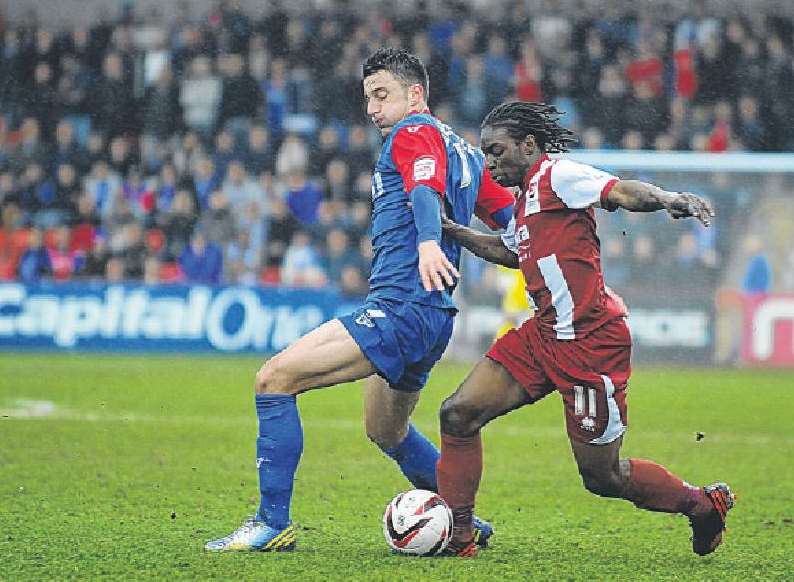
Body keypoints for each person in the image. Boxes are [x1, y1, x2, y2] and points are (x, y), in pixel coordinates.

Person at [205, 48, 515, 553]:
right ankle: (462, 521)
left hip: (399, 307)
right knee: (386, 429)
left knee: (273, 379)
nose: (372, 108)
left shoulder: (413, 132)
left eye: (381, 95)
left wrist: (429, 241)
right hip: (434, 318)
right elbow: (514, 225)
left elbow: (422, 192)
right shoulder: (466, 154)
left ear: (416, 95)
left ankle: (269, 522)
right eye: (367, 97)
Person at [435, 101, 733, 557]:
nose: (489, 161)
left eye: (496, 151)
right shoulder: (524, 201)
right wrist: (451, 231)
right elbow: (510, 252)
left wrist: (669, 199)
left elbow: (619, 191)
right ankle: (458, 538)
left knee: (602, 478)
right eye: (485, 153)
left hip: (592, 346)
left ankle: (701, 505)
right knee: (457, 413)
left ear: (528, 145)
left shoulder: (558, 176)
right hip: (543, 335)